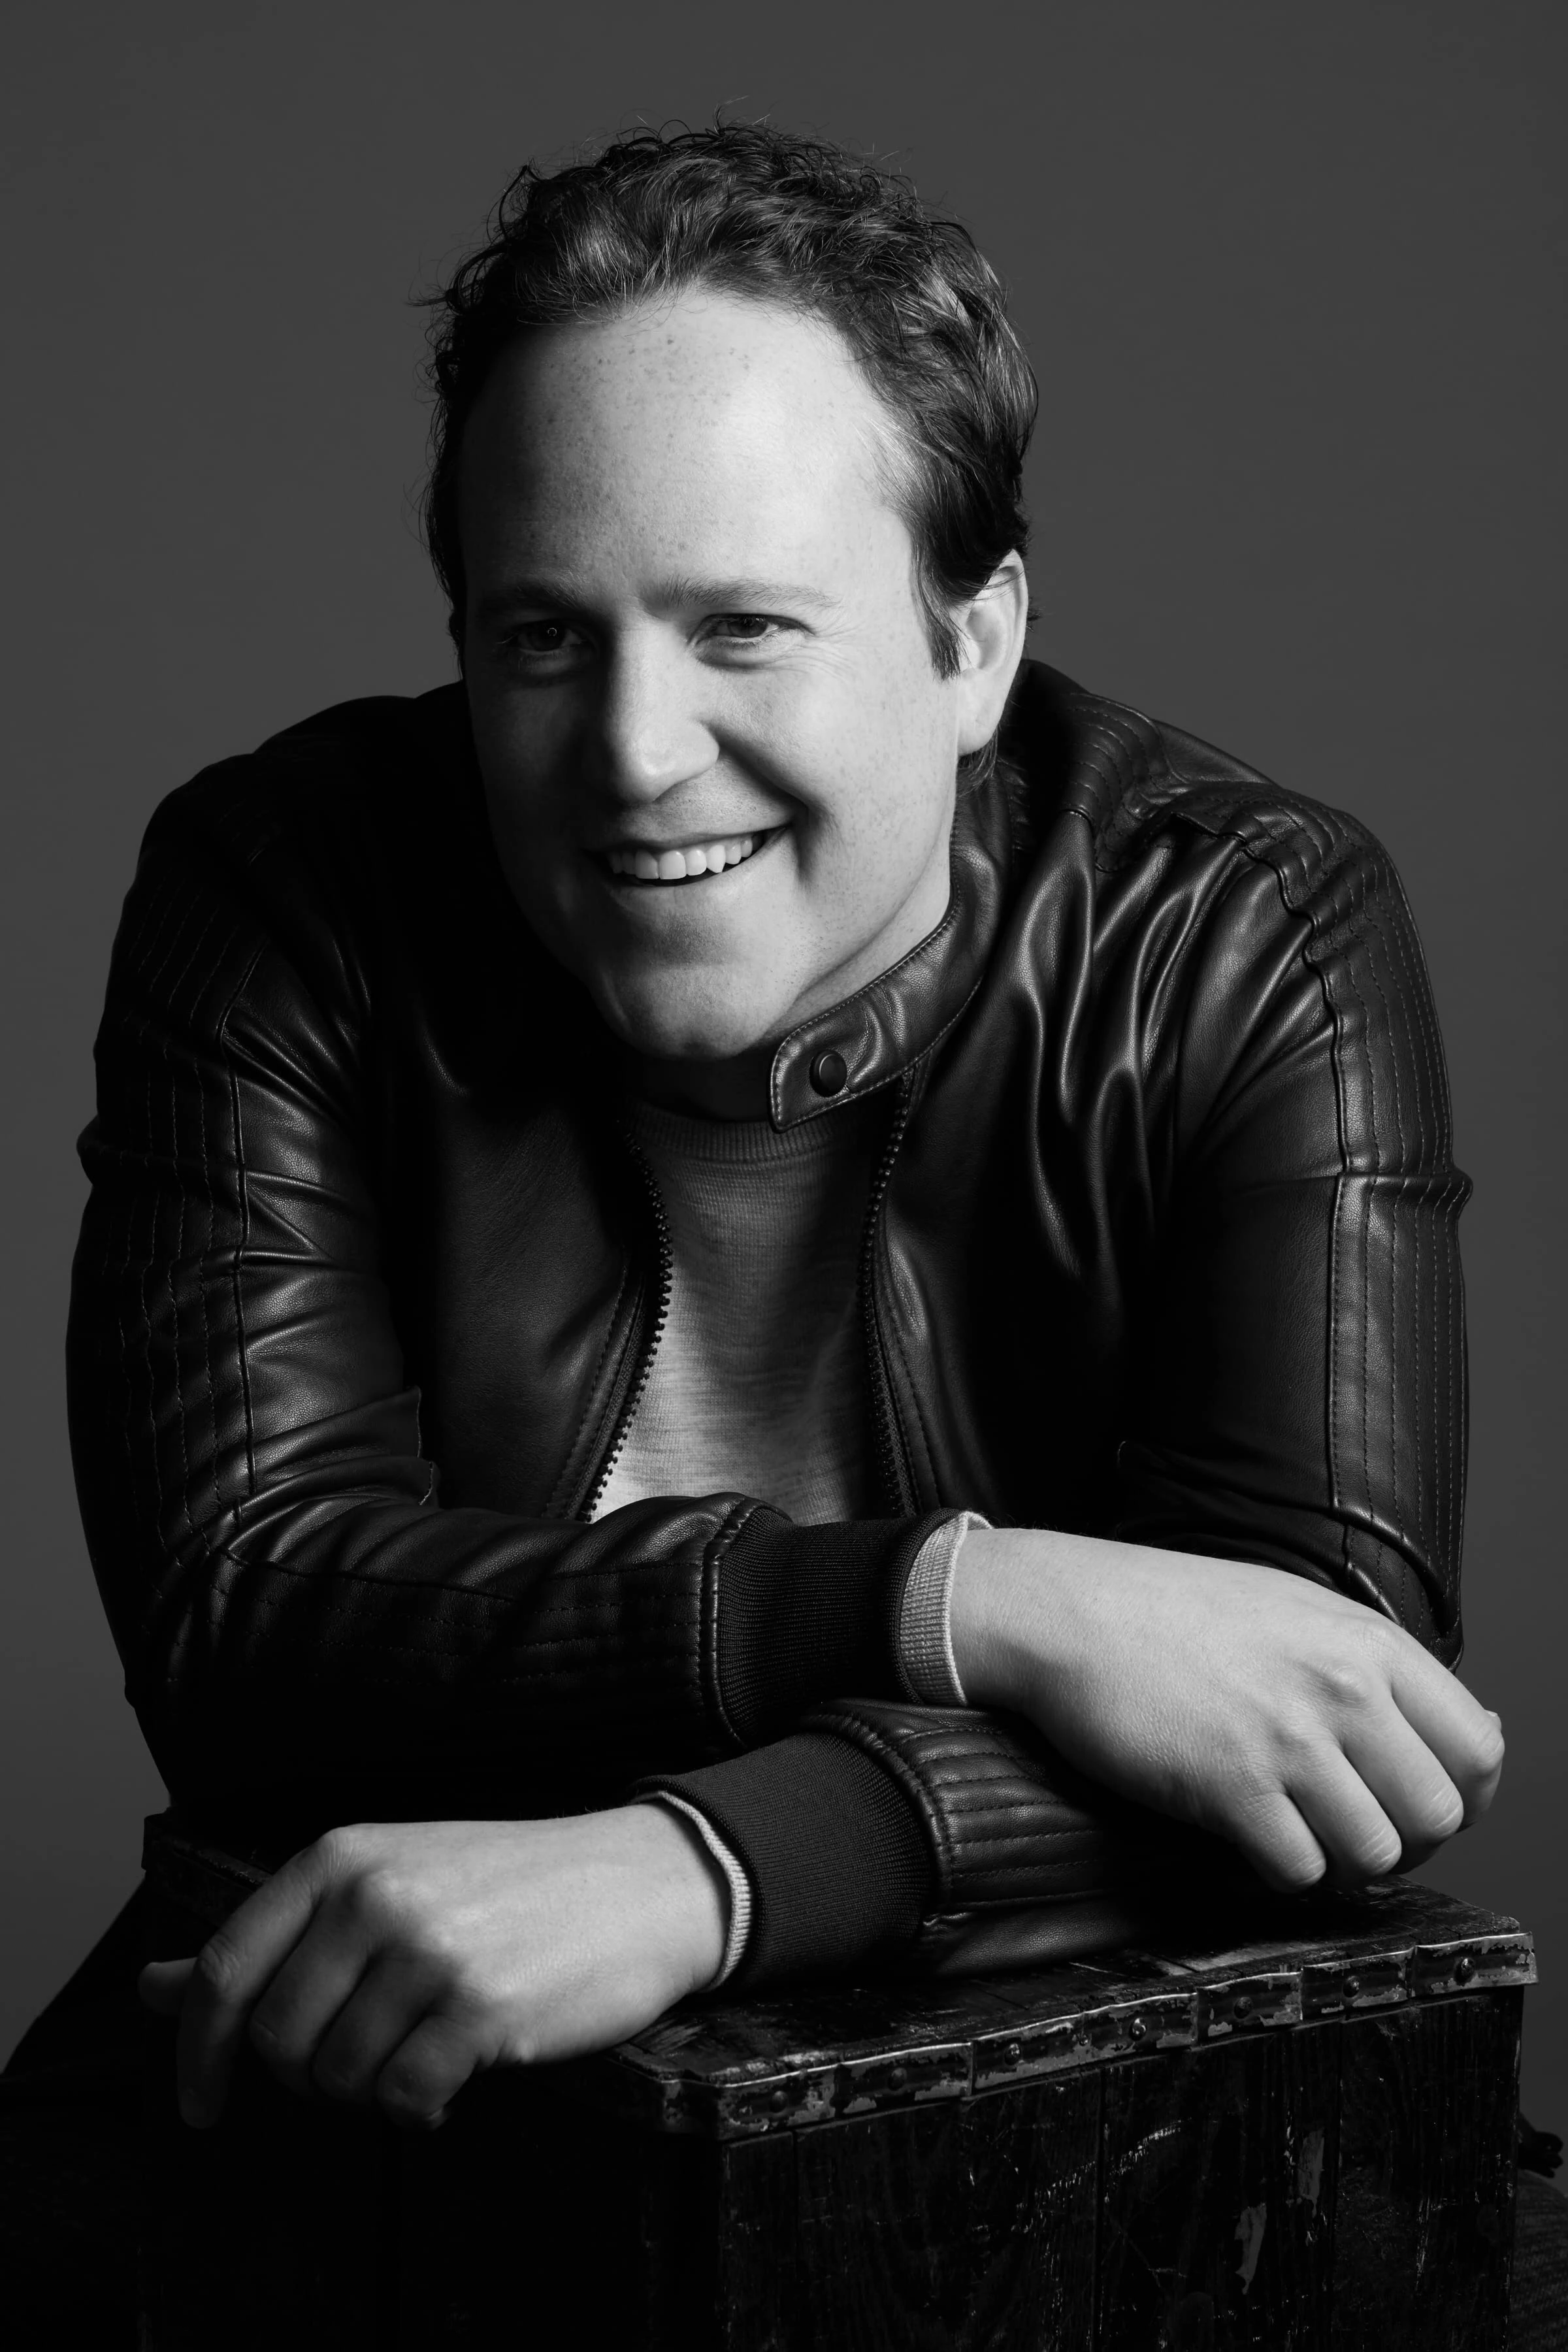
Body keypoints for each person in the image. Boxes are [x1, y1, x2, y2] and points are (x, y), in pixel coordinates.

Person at [57, 120, 1503, 2145]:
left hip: (1061, 2167)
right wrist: (963, 1603)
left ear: (973, 643)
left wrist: (713, 1869)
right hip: (341, 2114)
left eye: (744, 627)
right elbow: (247, 1621)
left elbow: (1334, 1716)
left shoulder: (1242, 933)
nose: (636, 755)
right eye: (544, 636)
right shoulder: (286, 890)